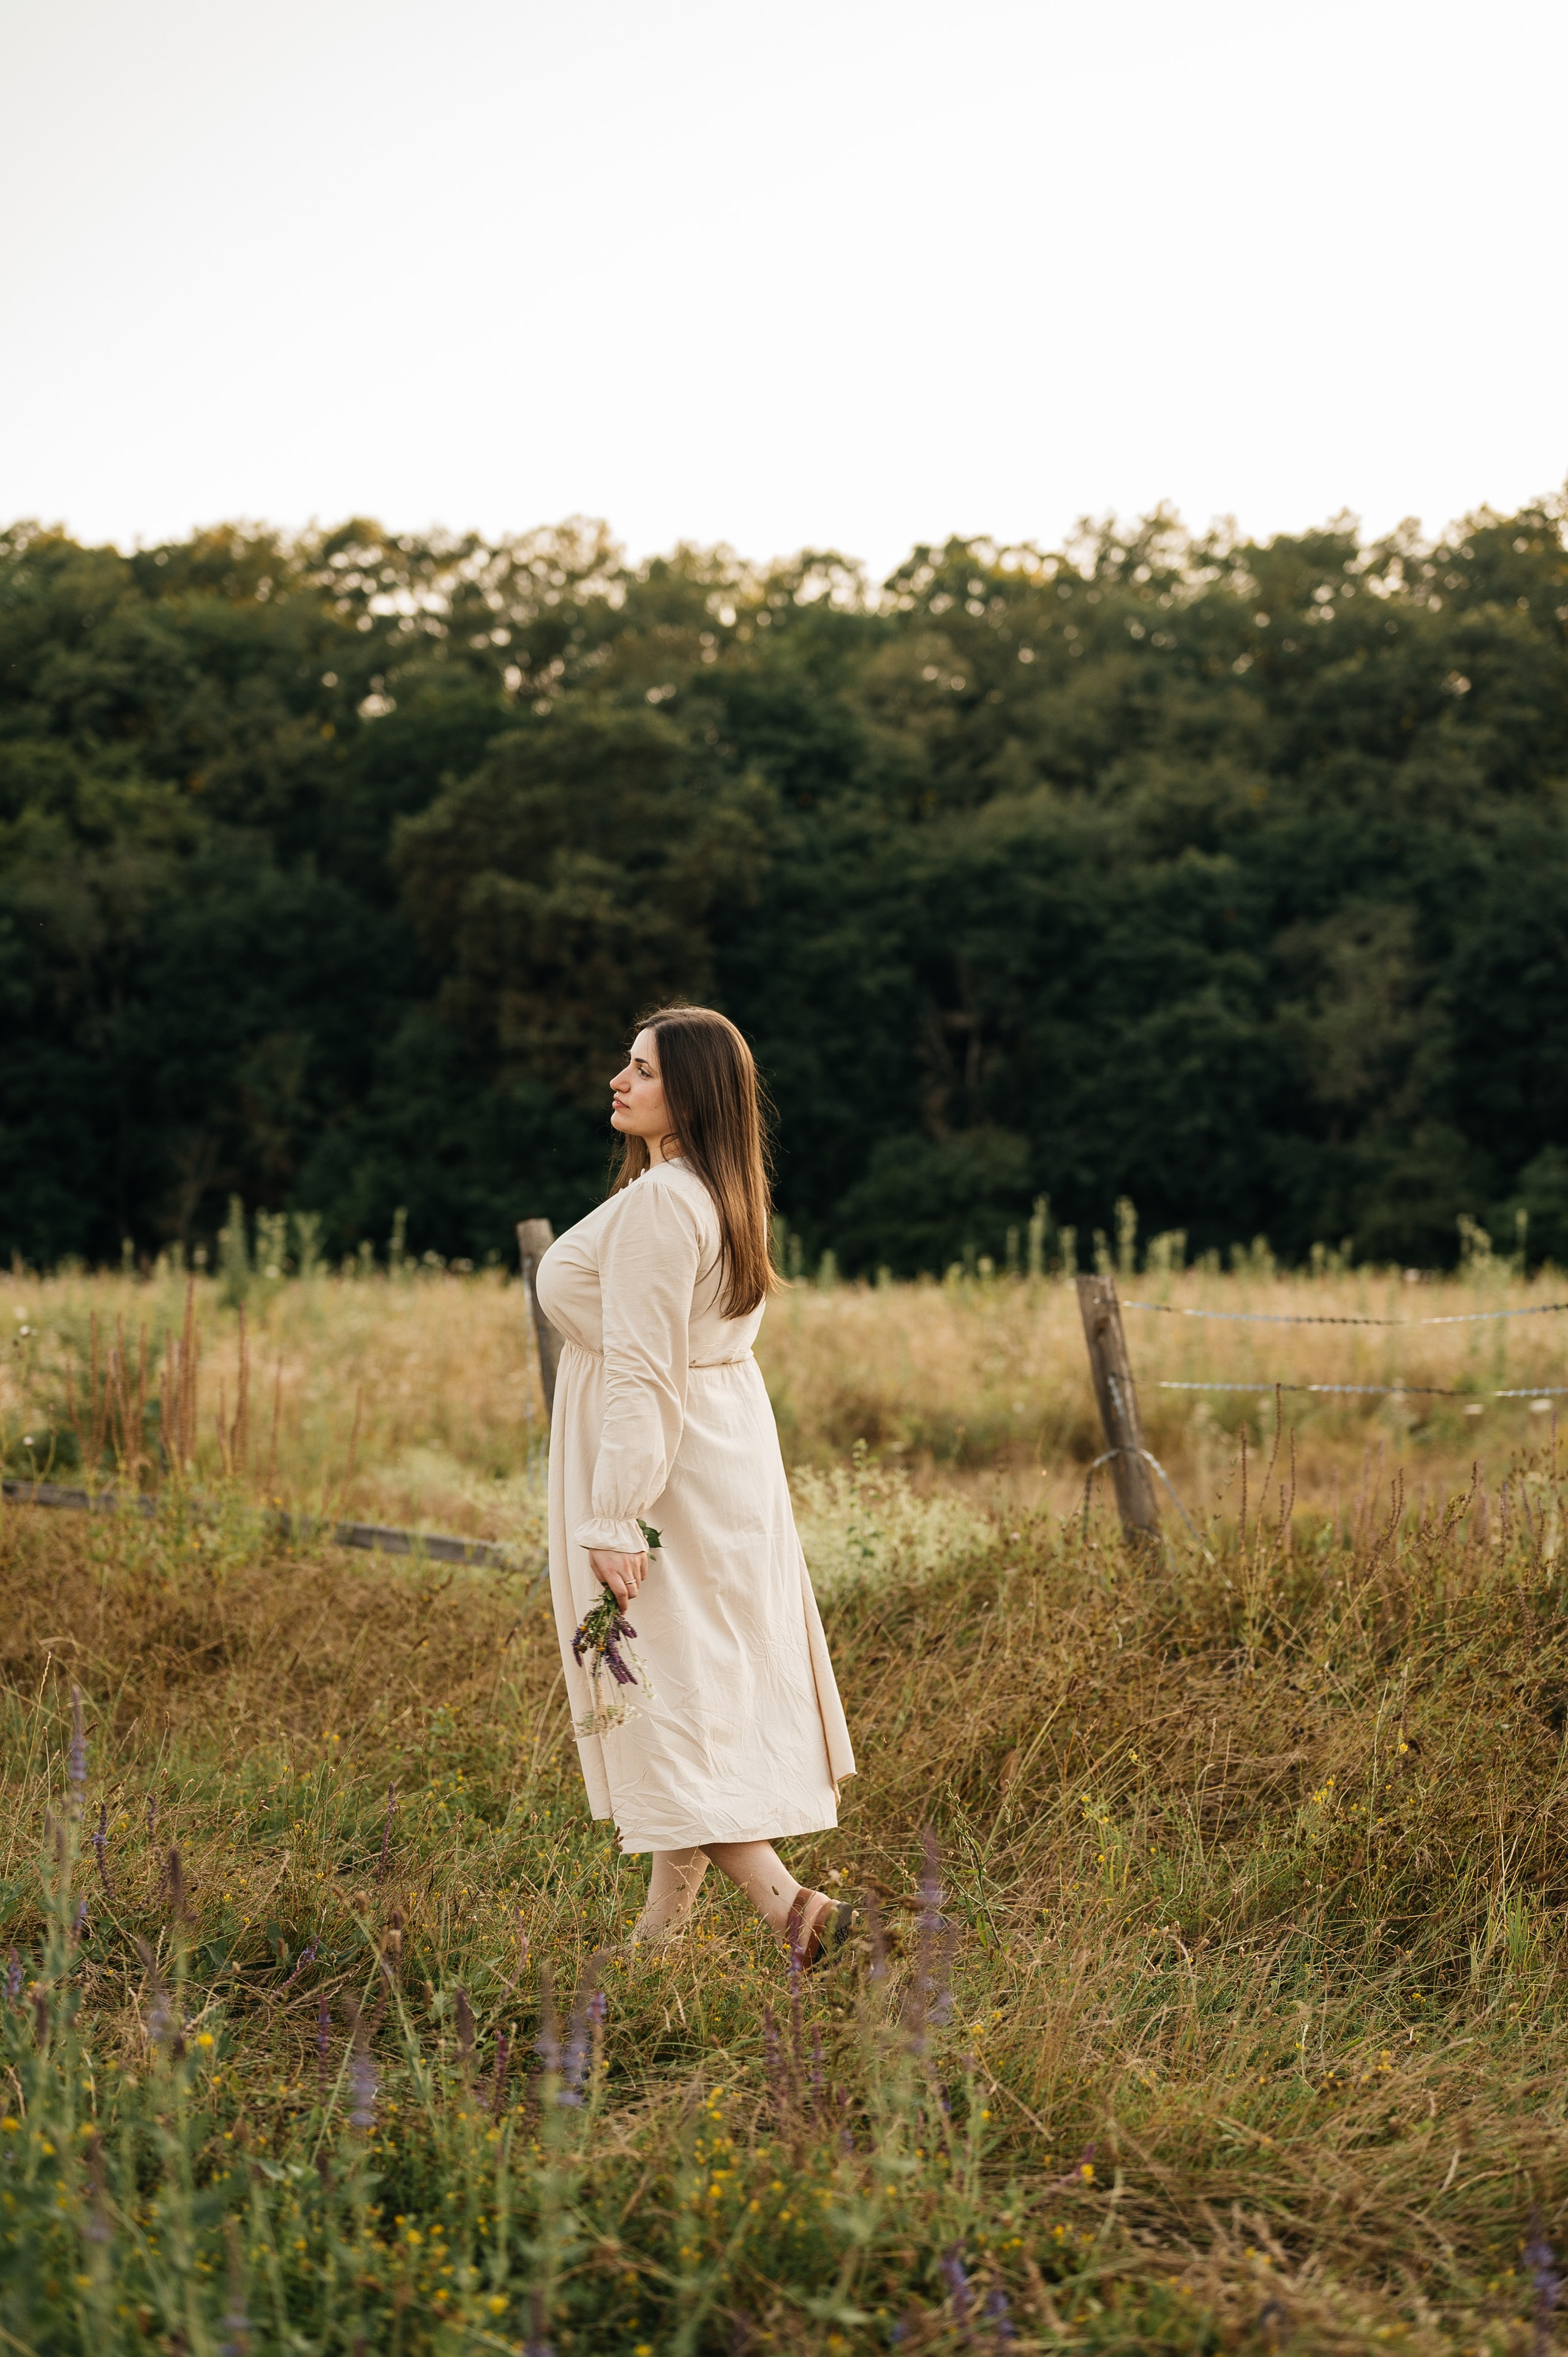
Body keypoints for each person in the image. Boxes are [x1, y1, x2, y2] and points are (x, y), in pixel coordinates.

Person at [535, 1005, 857, 1965]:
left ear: (692, 1094)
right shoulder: (716, 1192)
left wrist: (614, 1512)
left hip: (667, 1474)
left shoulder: (665, 1204)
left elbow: (640, 1368)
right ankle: (656, 1942)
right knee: (676, 1682)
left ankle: (793, 1909)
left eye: (641, 1070)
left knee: (657, 1692)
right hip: (718, 1456)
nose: (617, 1081)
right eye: (625, 1066)